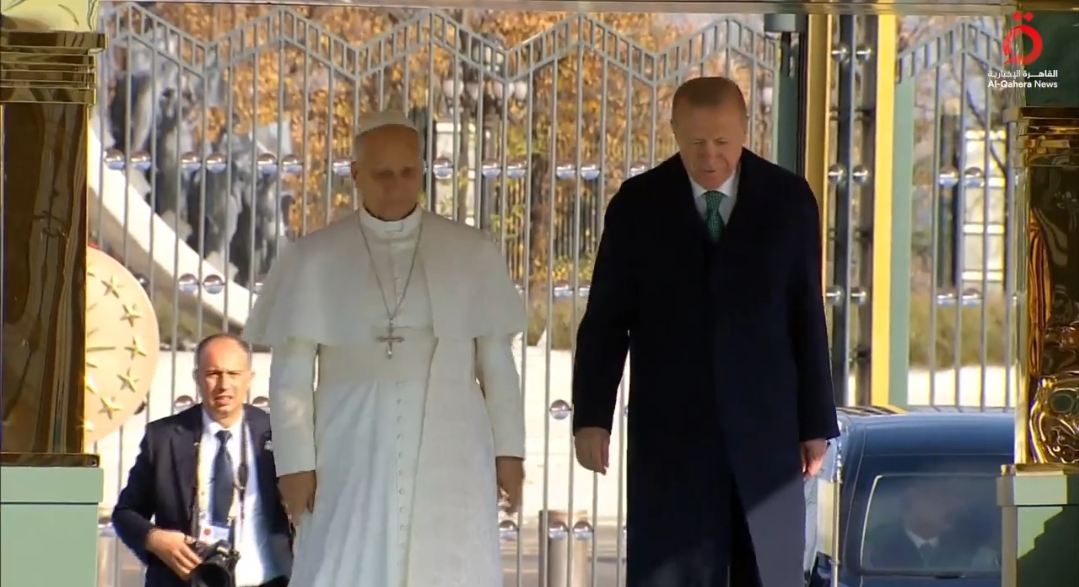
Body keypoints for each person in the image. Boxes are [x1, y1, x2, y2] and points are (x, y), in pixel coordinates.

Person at [571, 76, 839, 587]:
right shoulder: (638, 205)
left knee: (770, 572)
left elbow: (806, 313)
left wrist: (815, 423)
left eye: (722, 141)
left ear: (745, 130)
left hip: (767, 434)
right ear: (674, 131)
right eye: (696, 142)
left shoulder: (788, 201)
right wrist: (591, 417)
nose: (710, 156)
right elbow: (606, 319)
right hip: (672, 439)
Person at [241, 110, 527, 587]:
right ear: (355, 174)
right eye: (383, 174)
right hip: (349, 441)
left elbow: (496, 363)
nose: (396, 185)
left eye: (407, 172)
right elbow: (290, 375)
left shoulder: (470, 250)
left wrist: (509, 454)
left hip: (453, 439)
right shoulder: (312, 258)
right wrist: (295, 465)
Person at [112, 333, 293, 587]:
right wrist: (154, 539)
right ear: (197, 377)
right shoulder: (163, 438)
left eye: (233, 374)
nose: (223, 384)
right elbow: (125, 513)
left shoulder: (278, 433)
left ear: (249, 378)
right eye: (213, 374)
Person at [865, 478, 1000, 571]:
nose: (956, 505)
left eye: (959, 497)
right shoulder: (869, 549)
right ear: (914, 496)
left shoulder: (977, 556)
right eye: (944, 494)